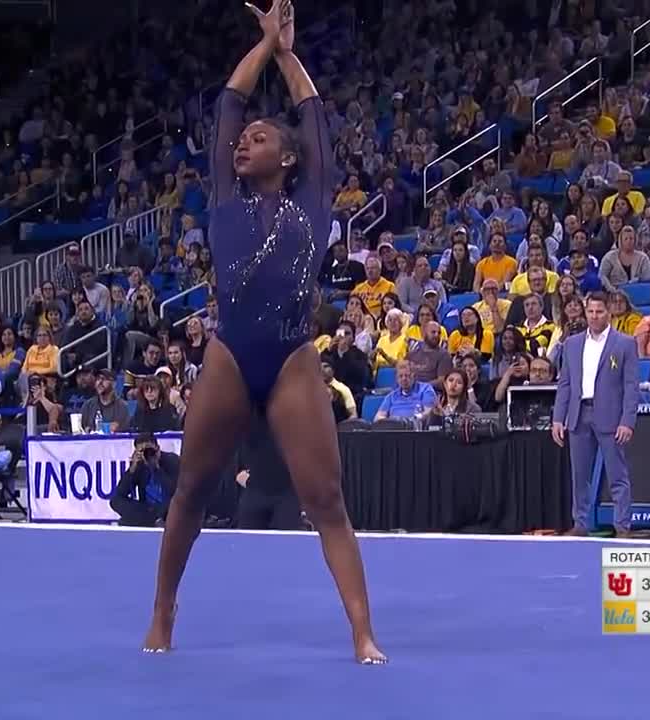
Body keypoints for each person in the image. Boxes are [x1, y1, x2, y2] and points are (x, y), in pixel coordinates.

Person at [143, 0, 386, 664]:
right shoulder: (225, 194)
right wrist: (264, 43)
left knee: (326, 498)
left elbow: (315, 123)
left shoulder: (312, 197)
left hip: (289, 356)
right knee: (192, 486)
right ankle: (163, 611)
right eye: (241, 139)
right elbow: (227, 103)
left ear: (286, 156)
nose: (243, 140)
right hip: (230, 351)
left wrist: (288, 52)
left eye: (258, 138)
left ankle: (362, 632)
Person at [552, 292, 640, 538]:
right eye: (590, 311)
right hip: (579, 415)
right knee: (579, 476)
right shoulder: (572, 343)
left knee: (617, 475)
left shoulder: (625, 343)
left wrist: (627, 421)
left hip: (611, 417)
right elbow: (565, 384)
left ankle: (622, 526)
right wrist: (558, 418)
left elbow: (632, 386)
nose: (594, 316)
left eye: (599, 311)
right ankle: (580, 524)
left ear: (609, 312)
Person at [110, 433, 180, 527]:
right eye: (142, 451)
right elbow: (120, 493)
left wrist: (157, 467)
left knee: (127, 520)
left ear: (158, 448)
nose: (147, 453)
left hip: (169, 507)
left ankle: (138, 520)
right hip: (148, 509)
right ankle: (152, 521)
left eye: (150, 450)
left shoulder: (172, 460)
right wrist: (132, 470)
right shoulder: (140, 464)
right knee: (115, 501)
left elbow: (173, 490)